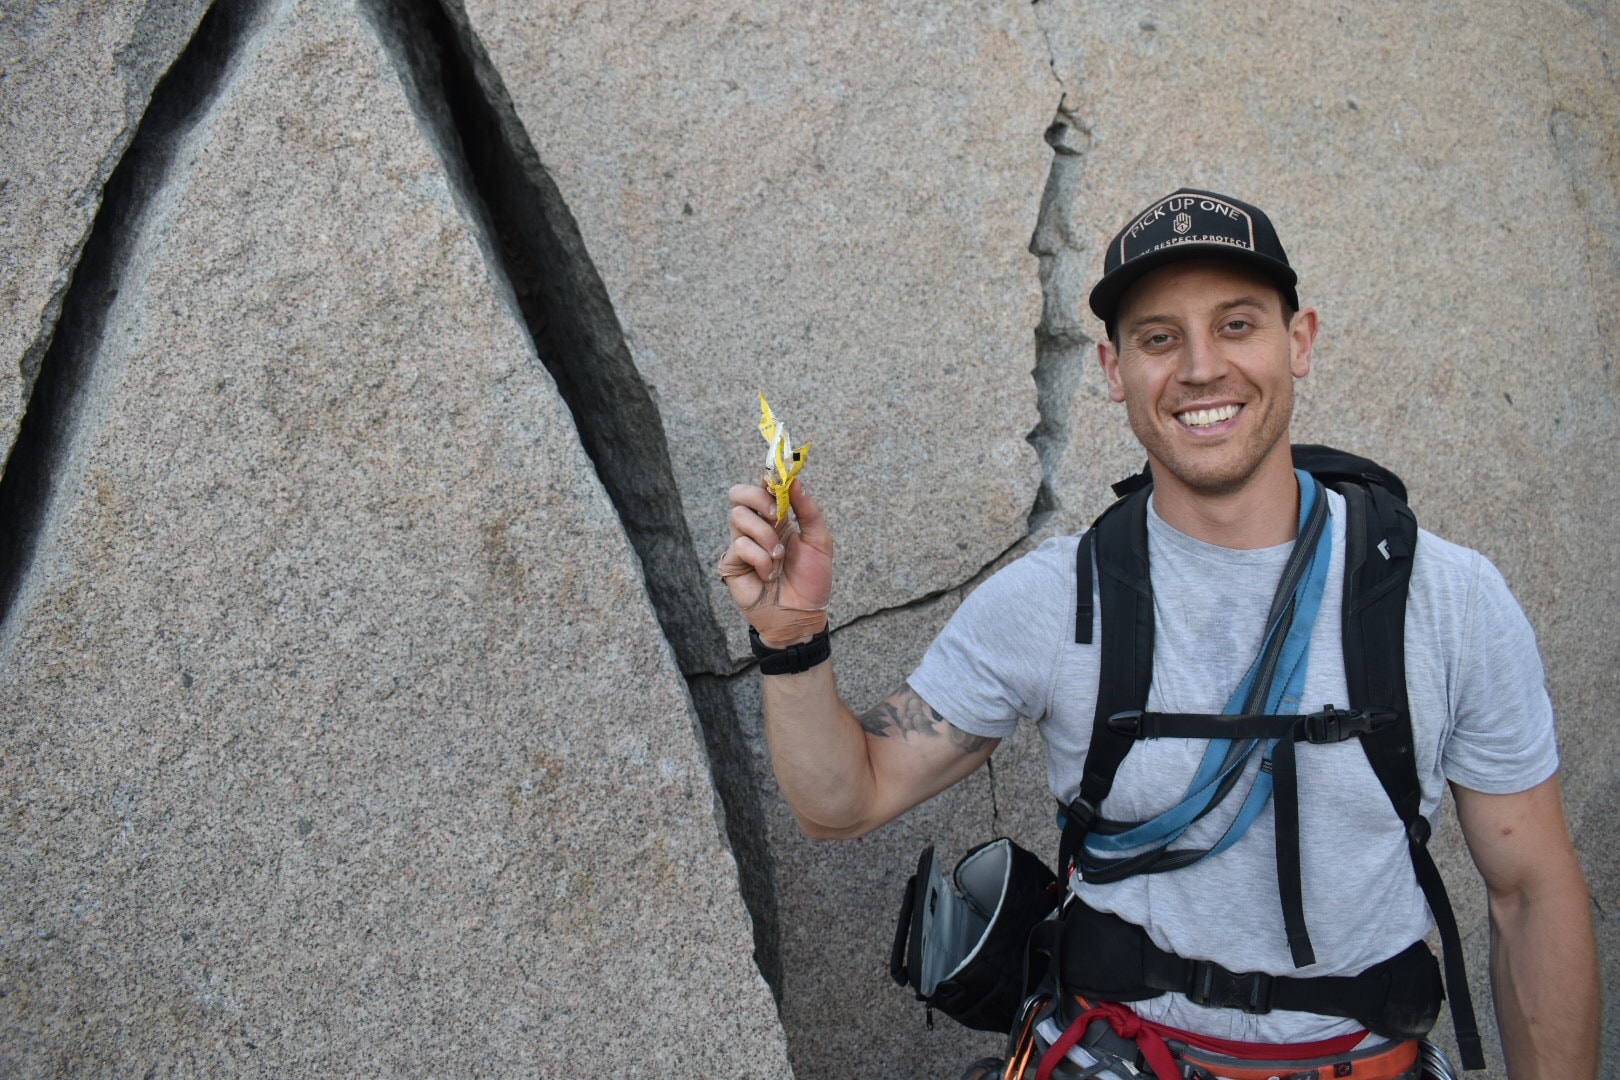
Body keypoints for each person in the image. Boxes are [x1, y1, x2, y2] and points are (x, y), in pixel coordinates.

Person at [718, 189, 1598, 1078]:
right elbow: (844, 801)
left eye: (1239, 324)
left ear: (1301, 343)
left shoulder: (1444, 599)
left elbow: (1530, 895)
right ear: (1112, 370)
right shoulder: (1051, 601)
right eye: (1159, 337)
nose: (1202, 368)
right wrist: (792, 636)